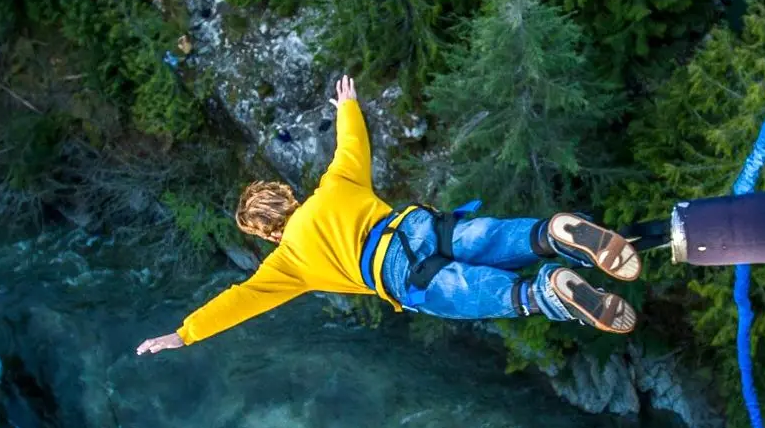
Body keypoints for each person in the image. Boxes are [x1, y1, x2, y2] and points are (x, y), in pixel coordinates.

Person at [136, 75, 643, 356]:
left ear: (267, 233)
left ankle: (547, 290)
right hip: (415, 226)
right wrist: (346, 105)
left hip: (397, 274)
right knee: (485, 237)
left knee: (489, 294)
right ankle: (553, 233)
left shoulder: (287, 263)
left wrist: (184, 333)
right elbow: (351, 144)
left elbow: (240, 302)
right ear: (288, 196)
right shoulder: (334, 186)